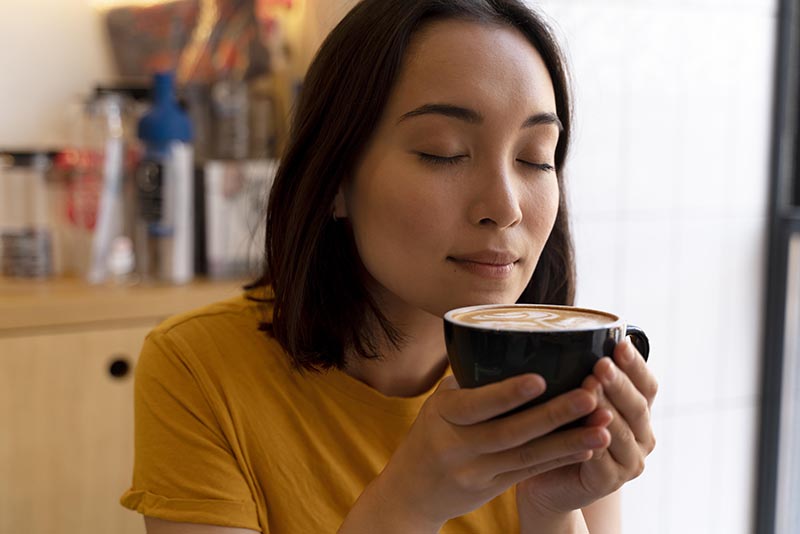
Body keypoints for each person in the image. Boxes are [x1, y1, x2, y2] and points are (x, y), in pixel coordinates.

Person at [120, 0, 659, 532]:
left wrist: (552, 511)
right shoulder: (198, 369)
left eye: (536, 158)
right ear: (334, 180)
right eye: (443, 151)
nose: (507, 206)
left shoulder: (564, 377)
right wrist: (410, 503)